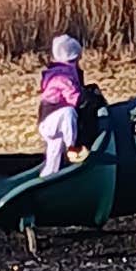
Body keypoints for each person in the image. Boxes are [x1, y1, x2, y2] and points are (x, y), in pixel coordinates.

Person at [35, 31, 87, 177]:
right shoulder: (62, 76)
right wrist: (84, 99)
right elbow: (73, 97)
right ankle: (72, 146)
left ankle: (47, 177)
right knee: (69, 114)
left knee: (54, 156)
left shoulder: (59, 72)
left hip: (51, 122)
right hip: (51, 118)